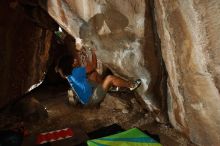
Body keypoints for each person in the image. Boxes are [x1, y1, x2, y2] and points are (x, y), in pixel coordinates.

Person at [55, 48, 141, 105]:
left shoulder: (69, 74)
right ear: (70, 65)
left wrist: (84, 54)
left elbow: (89, 69)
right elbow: (93, 65)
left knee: (93, 74)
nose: (76, 59)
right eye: (73, 60)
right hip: (91, 99)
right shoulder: (75, 73)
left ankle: (109, 88)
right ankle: (131, 85)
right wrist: (93, 52)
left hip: (87, 96)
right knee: (109, 78)